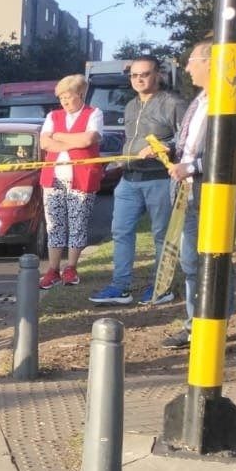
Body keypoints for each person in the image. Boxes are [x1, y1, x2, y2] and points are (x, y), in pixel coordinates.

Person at [163, 38, 236, 349]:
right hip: (187, 193)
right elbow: (186, 143)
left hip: (215, 193)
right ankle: (195, 326)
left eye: (192, 61)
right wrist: (165, 150)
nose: (187, 67)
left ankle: (216, 328)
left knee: (215, 260)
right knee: (190, 261)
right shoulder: (200, 100)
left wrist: (191, 167)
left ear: (209, 62)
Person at [90, 55, 186, 305]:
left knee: (161, 235)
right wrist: (119, 160)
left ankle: (161, 287)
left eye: (144, 74)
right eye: (134, 75)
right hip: (129, 179)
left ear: (158, 75)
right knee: (120, 232)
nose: (139, 79)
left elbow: (186, 139)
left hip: (159, 180)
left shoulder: (172, 103)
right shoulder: (131, 105)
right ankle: (121, 287)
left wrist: (163, 147)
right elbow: (130, 140)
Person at [36, 75, 104, 290]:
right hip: (53, 177)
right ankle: (53, 269)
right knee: (54, 225)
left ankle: (71, 267)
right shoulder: (53, 115)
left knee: (77, 223)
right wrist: (70, 141)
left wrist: (59, 137)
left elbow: (88, 140)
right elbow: (46, 143)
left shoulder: (94, 113)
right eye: (61, 97)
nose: (64, 102)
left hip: (82, 177)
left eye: (68, 96)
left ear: (80, 95)